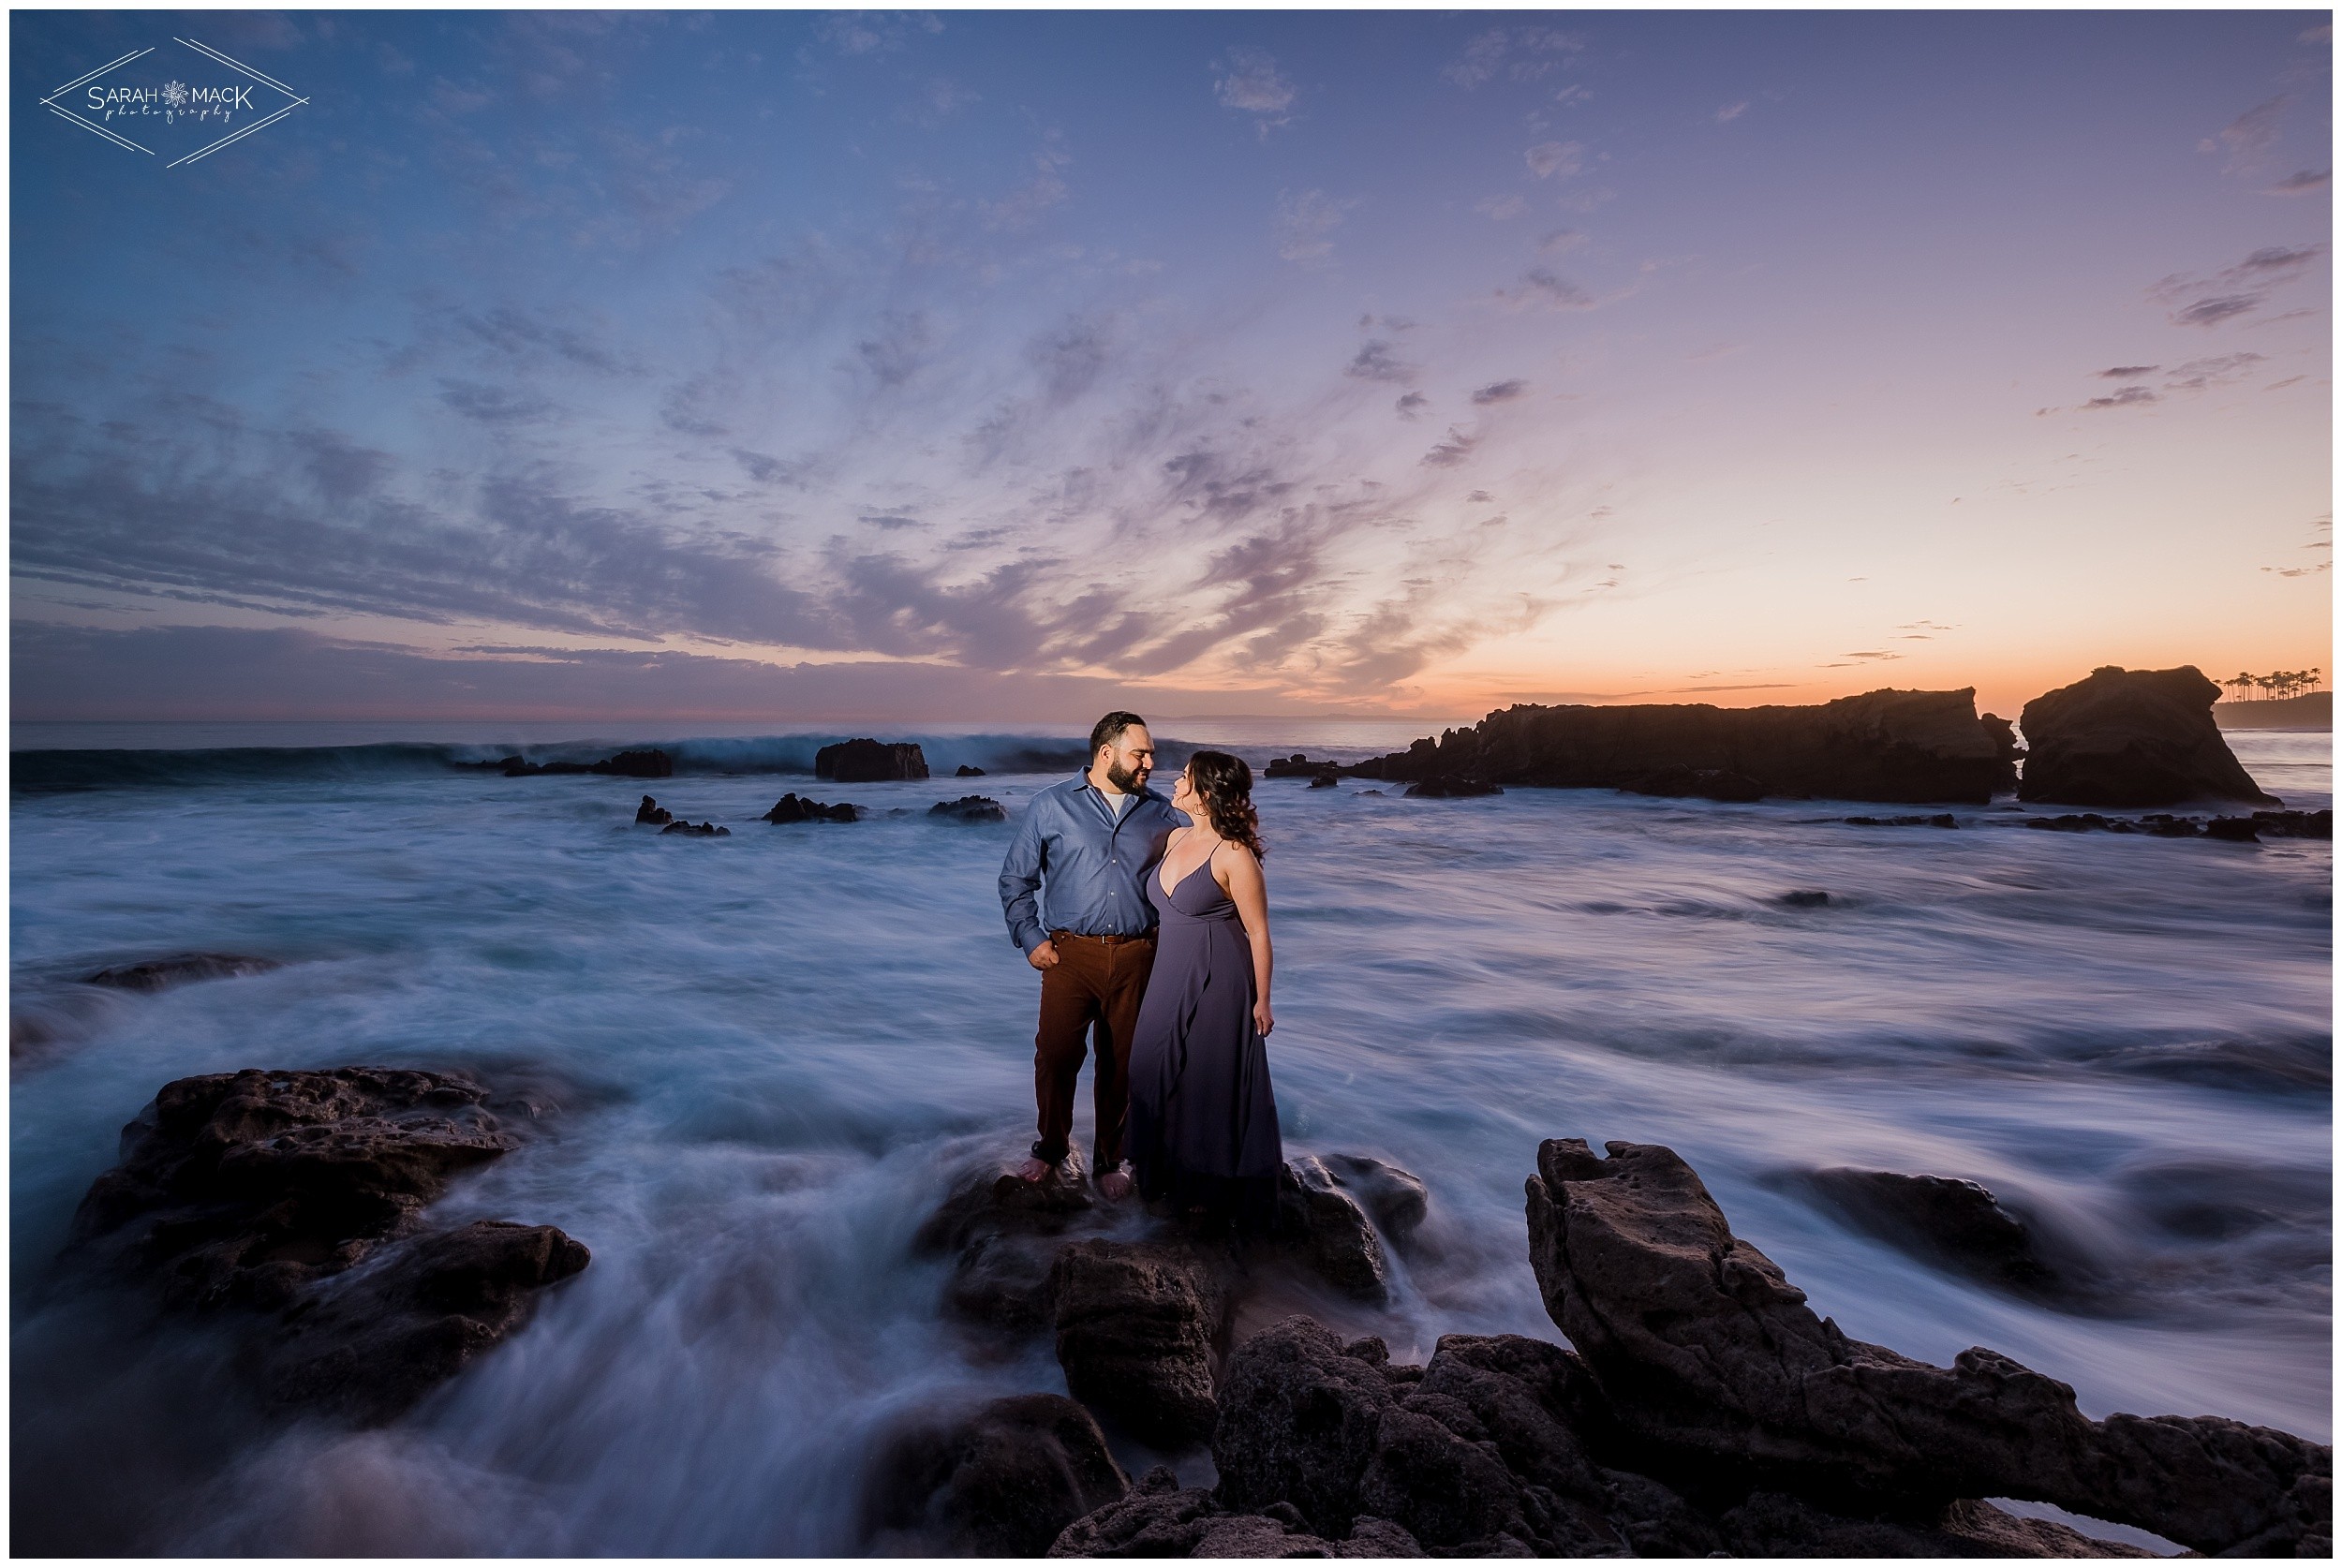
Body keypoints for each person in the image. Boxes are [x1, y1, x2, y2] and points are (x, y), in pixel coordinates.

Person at [998, 711, 1182, 1199]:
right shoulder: (1051, 806)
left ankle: (1110, 1158)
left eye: (1151, 754)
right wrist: (1029, 936)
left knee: (1122, 1064)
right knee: (1056, 1056)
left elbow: (1192, 880)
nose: (1149, 762)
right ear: (1106, 753)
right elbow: (1016, 879)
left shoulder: (1164, 815)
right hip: (1068, 956)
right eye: (1139, 753)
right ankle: (1051, 1148)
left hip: (1140, 955)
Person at [1125, 749, 1283, 1230]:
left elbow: (1259, 931)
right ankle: (1159, 1167)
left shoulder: (1235, 854)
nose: (1175, 781)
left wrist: (1262, 999)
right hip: (1169, 967)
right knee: (1147, 1062)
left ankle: (1205, 1183)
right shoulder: (1174, 836)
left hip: (1221, 974)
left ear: (1206, 793)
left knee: (1204, 1078)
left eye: (1186, 777)